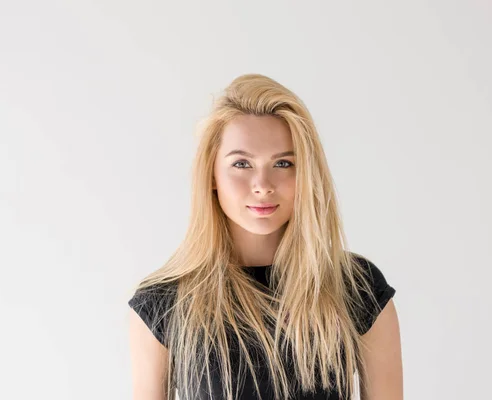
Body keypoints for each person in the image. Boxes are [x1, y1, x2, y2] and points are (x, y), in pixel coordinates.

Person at [127, 73, 403, 400]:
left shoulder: (356, 288)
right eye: (242, 164)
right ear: (212, 175)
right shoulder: (163, 304)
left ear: (306, 174)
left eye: (283, 163)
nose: (262, 184)